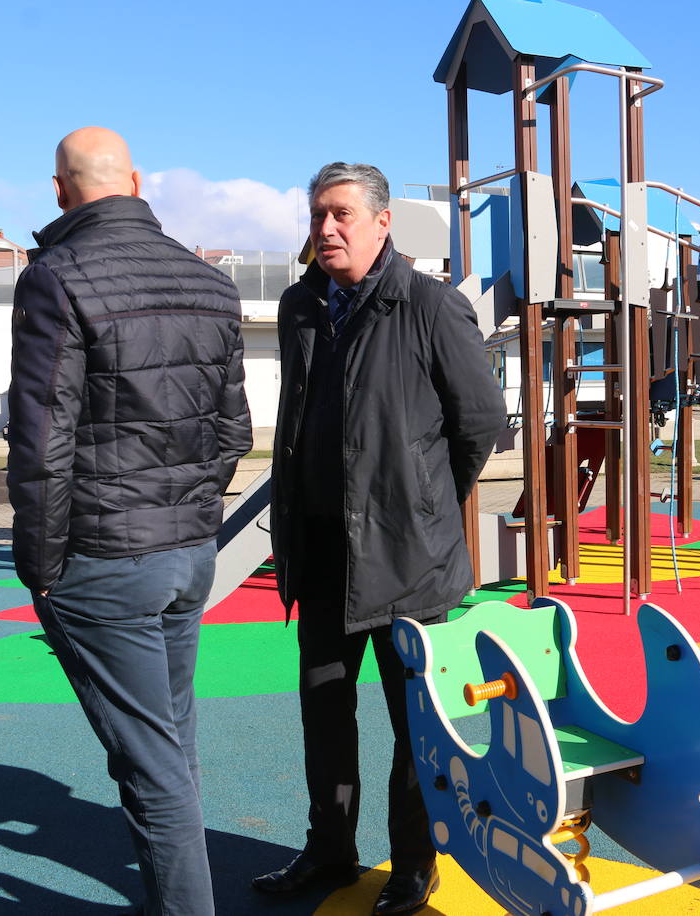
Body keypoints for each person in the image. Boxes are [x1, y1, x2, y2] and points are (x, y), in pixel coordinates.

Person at [6, 126, 252, 916]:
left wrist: (42, 572)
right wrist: (191, 520)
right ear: (136, 180)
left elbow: (42, 443)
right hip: (185, 555)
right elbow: (234, 432)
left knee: (152, 765)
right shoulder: (208, 282)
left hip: (106, 561)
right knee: (171, 748)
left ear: (58, 189)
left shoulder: (57, 276)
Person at [252, 163, 504, 916]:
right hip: (323, 553)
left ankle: (412, 867)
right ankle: (329, 851)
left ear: (382, 222)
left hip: (406, 562)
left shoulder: (428, 306)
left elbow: (482, 424)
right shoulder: (302, 306)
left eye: (341, 215)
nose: (326, 229)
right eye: (317, 215)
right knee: (324, 715)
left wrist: (422, 504)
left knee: (412, 727)